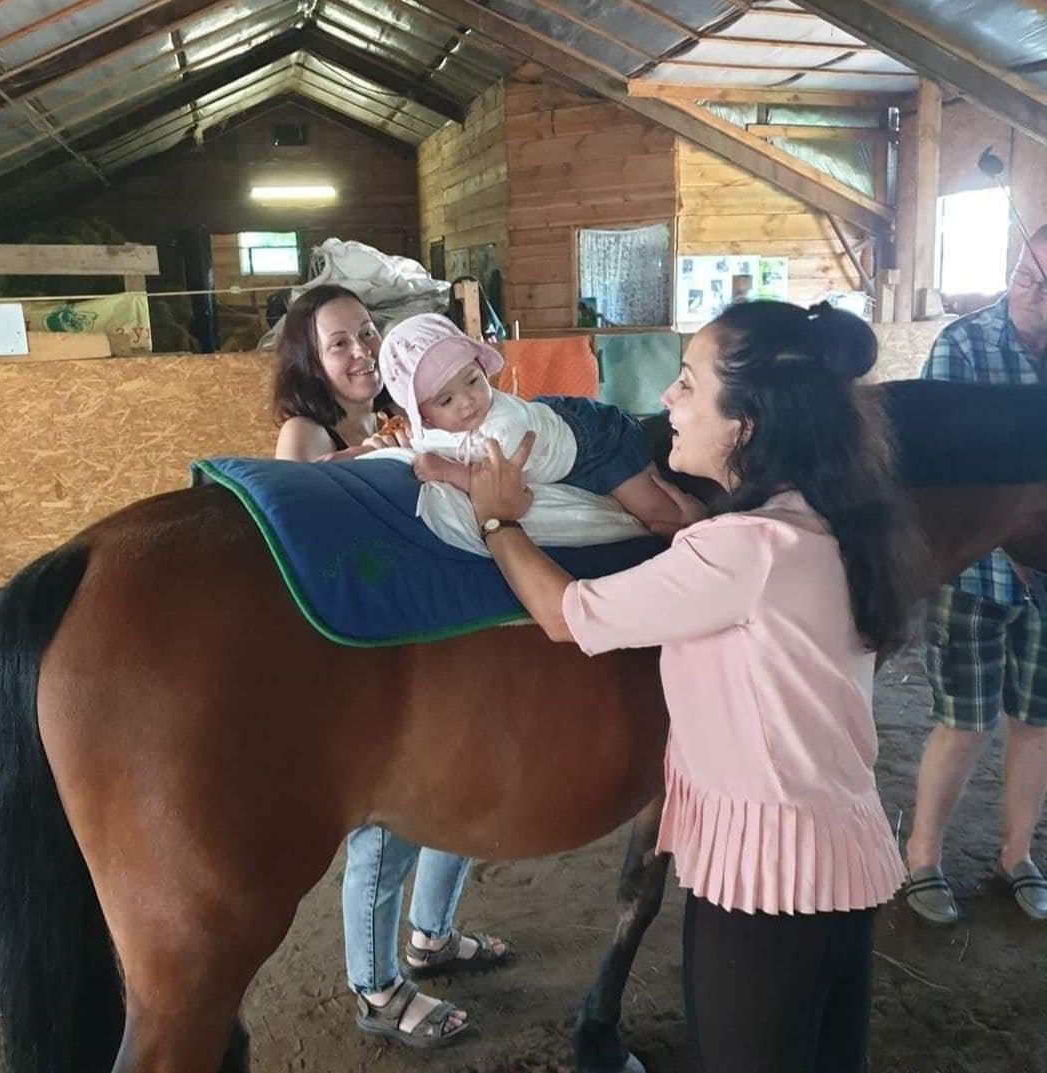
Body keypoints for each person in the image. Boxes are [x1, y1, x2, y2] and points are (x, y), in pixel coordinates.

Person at [463, 299, 920, 1073]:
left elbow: (568, 614)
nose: (667, 401)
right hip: (839, 860)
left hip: (766, 884)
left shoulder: (745, 550)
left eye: (687, 384)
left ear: (745, 424)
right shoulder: (829, 521)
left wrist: (499, 522)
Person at [272, 284, 509, 1047]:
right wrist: (371, 454)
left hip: (409, 636)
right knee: (388, 817)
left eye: (367, 333)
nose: (360, 350)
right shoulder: (304, 434)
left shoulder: (386, 418)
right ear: (311, 357)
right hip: (353, 656)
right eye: (339, 341)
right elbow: (302, 522)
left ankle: (431, 936)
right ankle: (376, 988)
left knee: (457, 788)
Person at [904, 226, 1047, 925]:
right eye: (1026, 271)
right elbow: (939, 477)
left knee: (1038, 721)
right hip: (977, 573)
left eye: (1046, 282)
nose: (1029, 287)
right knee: (962, 723)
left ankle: (1015, 855)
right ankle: (922, 858)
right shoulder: (962, 347)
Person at [376, 313, 696, 537]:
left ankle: (707, 525)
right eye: (446, 400)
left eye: (473, 380)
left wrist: (448, 472)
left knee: (661, 520)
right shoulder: (431, 428)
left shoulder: (506, 428)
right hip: (548, 422)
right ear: (425, 416)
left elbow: (505, 488)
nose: (467, 401)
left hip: (595, 442)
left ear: (481, 368)